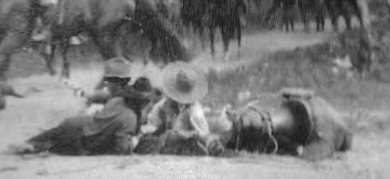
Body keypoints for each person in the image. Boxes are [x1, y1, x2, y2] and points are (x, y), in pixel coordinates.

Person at [8, 58, 152, 155]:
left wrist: (84, 93)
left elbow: (102, 96)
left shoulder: (119, 99)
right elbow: (122, 148)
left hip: (77, 124)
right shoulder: (130, 117)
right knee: (52, 147)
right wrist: (136, 139)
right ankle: (32, 146)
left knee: (52, 134)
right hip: (83, 139)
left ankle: (29, 143)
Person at [212, 88, 353, 160]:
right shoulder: (313, 114)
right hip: (295, 120)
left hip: (306, 126)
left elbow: (308, 155)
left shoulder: (324, 129)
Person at [135, 62, 224, 156]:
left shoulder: (194, 111)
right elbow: (152, 127)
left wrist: (207, 141)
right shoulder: (162, 106)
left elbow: (204, 136)